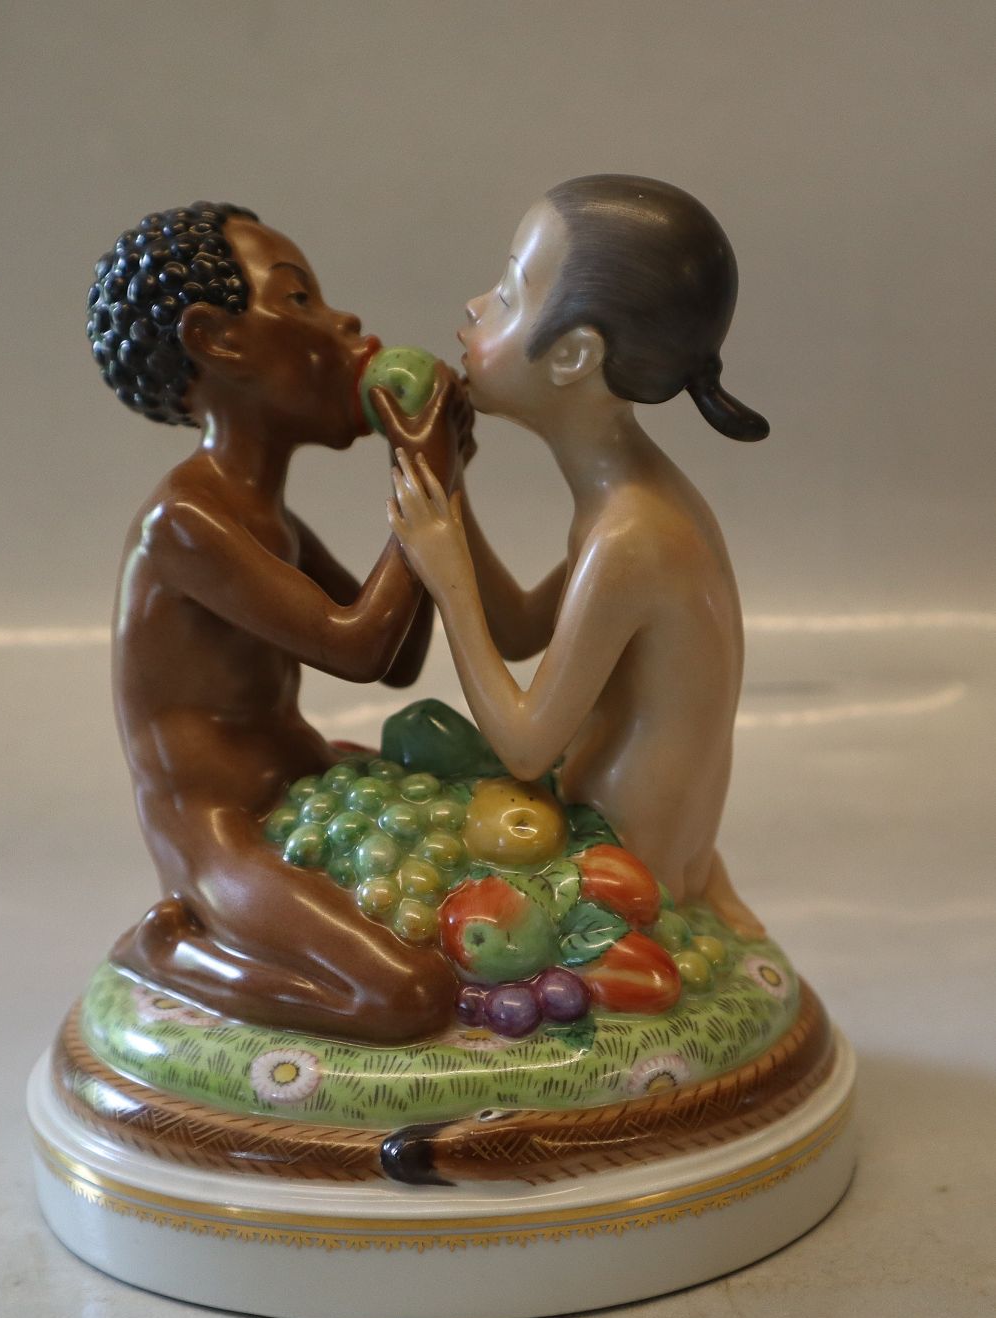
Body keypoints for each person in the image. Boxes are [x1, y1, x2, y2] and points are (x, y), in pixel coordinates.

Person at [88, 202, 469, 1042]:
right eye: (299, 299)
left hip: (300, 779)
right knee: (404, 997)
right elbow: (359, 648)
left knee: (481, 804)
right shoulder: (186, 522)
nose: (344, 322)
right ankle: (170, 953)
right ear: (216, 340)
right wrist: (425, 481)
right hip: (220, 833)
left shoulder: (270, 519)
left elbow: (398, 659)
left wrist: (441, 484)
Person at [388, 175, 767, 936]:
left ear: (572, 354)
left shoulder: (633, 536)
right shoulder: (636, 502)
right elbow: (523, 628)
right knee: (418, 743)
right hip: (617, 827)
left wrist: (446, 576)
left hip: (618, 866)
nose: (474, 305)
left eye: (507, 294)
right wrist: (450, 495)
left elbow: (527, 747)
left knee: (404, 816)